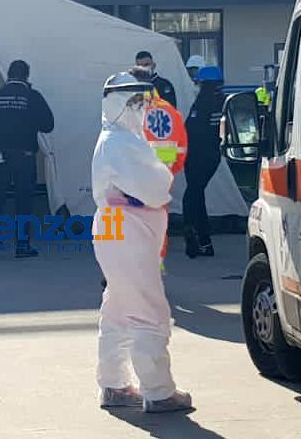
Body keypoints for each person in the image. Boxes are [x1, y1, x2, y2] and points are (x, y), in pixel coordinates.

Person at [92, 72, 192, 413]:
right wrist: (161, 176)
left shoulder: (117, 138)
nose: (142, 109)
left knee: (118, 306)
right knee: (148, 308)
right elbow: (156, 187)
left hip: (117, 228)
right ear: (120, 104)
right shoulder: (121, 143)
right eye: (136, 103)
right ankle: (159, 391)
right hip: (128, 230)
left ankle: (115, 385)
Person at [0, 60, 54, 258]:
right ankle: (22, 245)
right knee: (24, 201)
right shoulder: (32, 96)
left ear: (8, 74)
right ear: (26, 76)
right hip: (24, 155)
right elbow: (48, 125)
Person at [183, 65, 225, 258]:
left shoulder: (203, 102)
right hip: (212, 155)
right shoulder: (221, 101)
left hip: (197, 155)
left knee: (191, 197)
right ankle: (204, 241)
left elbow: (191, 129)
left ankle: (193, 231)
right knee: (197, 195)